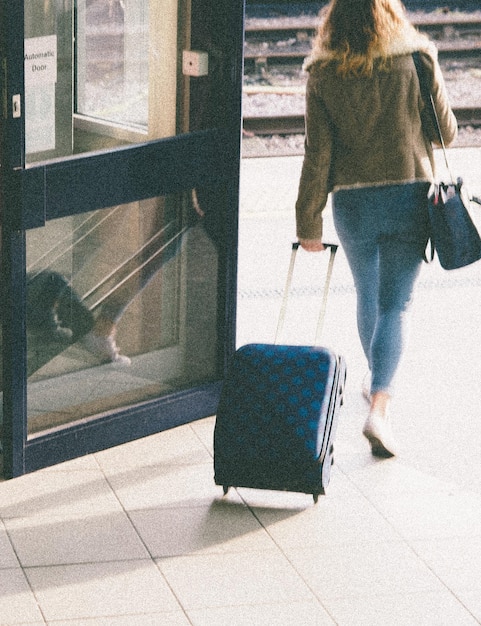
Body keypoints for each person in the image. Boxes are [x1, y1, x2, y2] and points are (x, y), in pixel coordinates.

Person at [295, 0, 457, 457]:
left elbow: (317, 155)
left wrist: (309, 220)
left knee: (367, 294)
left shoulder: (322, 75)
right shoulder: (416, 61)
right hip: (409, 196)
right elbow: (446, 134)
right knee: (396, 305)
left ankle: (375, 379)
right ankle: (380, 407)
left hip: (353, 202)